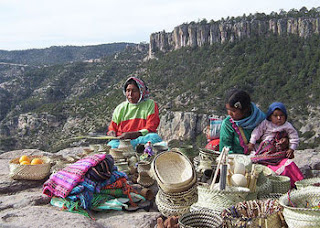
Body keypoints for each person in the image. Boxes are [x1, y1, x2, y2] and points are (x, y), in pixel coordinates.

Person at [248, 102, 303, 187]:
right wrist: (252, 142)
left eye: (282, 115)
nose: (279, 118)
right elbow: (257, 132)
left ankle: (299, 183)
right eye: (275, 116)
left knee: (288, 164)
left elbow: (294, 137)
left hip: (278, 150)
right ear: (270, 116)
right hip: (265, 148)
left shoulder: (287, 126)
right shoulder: (266, 123)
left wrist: (291, 148)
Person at [107, 77, 163, 148]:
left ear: (141, 91)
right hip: (122, 141)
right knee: (112, 145)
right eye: (128, 90)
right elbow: (112, 128)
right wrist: (111, 132)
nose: (130, 94)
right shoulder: (120, 108)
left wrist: (133, 134)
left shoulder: (150, 104)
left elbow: (151, 128)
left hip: (142, 138)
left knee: (154, 138)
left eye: (134, 91)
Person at [219, 89, 266, 154]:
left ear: (245, 110)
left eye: (233, 111)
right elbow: (224, 150)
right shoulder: (228, 124)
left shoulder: (263, 121)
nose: (229, 113)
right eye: (228, 110)